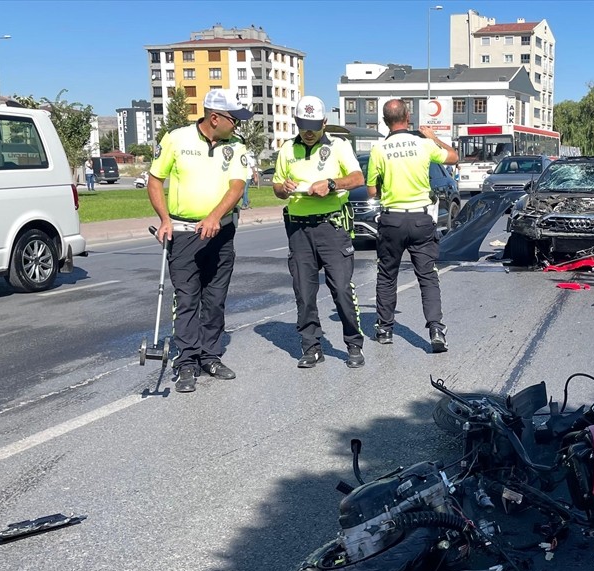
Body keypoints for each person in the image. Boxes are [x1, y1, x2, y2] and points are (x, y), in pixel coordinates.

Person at [147, 88, 252, 393]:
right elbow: (155, 179)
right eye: (235, 120)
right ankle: (186, 361)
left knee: (215, 299)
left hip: (221, 233)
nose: (238, 126)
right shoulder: (176, 139)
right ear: (215, 117)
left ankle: (210, 355)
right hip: (183, 234)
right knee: (188, 298)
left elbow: (236, 186)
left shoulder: (236, 146)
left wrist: (215, 216)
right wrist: (165, 219)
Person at [272, 95, 366, 369]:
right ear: (297, 123)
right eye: (304, 125)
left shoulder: (339, 145)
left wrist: (332, 184)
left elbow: (357, 178)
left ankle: (353, 343)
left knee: (340, 288)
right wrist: (284, 187)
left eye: (314, 125)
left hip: (331, 226)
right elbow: (277, 187)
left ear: (325, 122)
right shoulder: (287, 149)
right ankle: (311, 346)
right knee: (304, 291)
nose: (309, 132)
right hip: (299, 229)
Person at [365, 99, 459, 354]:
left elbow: (372, 190)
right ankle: (436, 329)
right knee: (427, 276)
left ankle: (385, 329)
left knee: (386, 276)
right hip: (420, 219)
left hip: (392, 220)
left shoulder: (378, 150)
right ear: (408, 116)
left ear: (385, 121)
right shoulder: (423, 144)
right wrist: (434, 137)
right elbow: (453, 157)